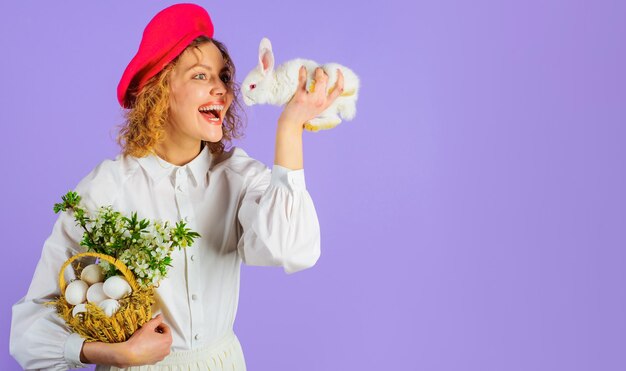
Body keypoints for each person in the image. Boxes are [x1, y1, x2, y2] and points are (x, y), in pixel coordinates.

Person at [9, 3, 344, 370]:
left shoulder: (238, 176)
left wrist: (290, 127)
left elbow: (292, 249)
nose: (222, 90)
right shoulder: (107, 189)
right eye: (201, 76)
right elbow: (29, 330)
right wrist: (113, 353)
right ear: (159, 89)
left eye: (224, 76)